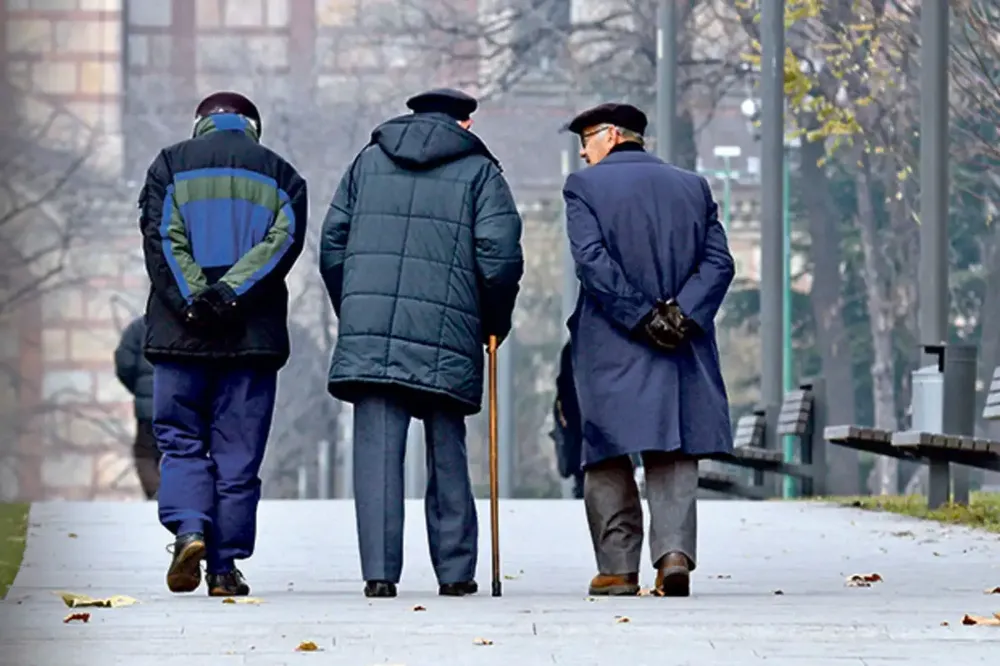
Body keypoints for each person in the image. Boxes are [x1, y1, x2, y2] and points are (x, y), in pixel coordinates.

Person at [319, 88, 524, 598]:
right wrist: (492, 323)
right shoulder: (480, 172)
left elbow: (332, 244)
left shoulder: (367, 162)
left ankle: (379, 574)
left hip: (371, 333)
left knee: (377, 455)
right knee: (447, 450)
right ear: (466, 124)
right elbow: (499, 258)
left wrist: (357, 306)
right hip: (448, 330)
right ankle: (455, 573)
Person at [138, 91, 308, 597]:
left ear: (200, 125)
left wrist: (195, 299)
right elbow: (280, 243)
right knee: (238, 454)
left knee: (181, 442)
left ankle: (189, 529)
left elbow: (163, 240)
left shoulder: (169, 164)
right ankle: (224, 569)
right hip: (251, 338)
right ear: (252, 126)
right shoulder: (282, 174)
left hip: (179, 334)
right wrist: (229, 294)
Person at [562, 103, 735, 598]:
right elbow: (719, 262)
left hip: (612, 339)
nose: (582, 150)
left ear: (612, 136)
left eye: (587, 139)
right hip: (684, 340)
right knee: (674, 441)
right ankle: (674, 554)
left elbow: (591, 262)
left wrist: (640, 314)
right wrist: (681, 314)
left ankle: (618, 568)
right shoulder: (693, 186)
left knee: (607, 446)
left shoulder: (584, 187)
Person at [113, 315, 160, 500]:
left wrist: (139, 389)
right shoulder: (185, 324)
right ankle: (178, 494)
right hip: (181, 403)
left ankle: (155, 490)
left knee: (145, 453)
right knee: (180, 450)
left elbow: (124, 363)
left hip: (147, 409)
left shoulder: (138, 328)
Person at [550, 340, 585, 498]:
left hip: (579, 423)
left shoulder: (572, 347)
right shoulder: (573, 348)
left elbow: (563, 387)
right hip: (581, 422)